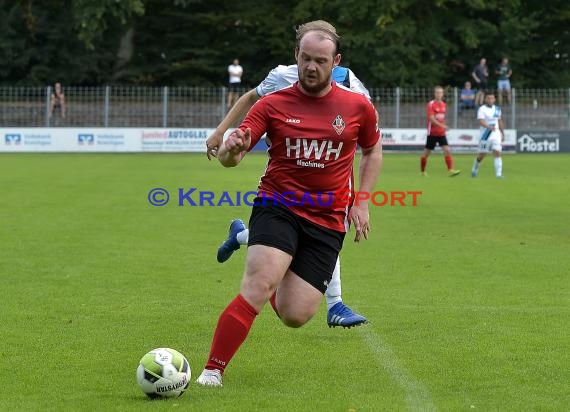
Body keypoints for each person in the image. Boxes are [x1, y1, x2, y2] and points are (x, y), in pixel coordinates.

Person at [196, 20, 382, 387]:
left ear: (336, 62)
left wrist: (361, 202)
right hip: (277, 205)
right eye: (306, 59)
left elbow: (373, 149)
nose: (312, 67)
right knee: (259, 284)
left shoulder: (358, 106)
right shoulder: (273, 103)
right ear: (296, 57)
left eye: (321, 60)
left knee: (297, 314)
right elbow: (233, 158)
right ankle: (212, 371)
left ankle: (265, 259)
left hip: (328, 219)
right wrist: (230, 149)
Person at [420, 86, 460, 177]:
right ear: (434, 94)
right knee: (426, 153)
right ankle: (422, 171)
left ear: (442, 94)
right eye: (437, 92)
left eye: (440, 92)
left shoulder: (443, 104)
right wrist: (443, 126)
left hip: (441, 133)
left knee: (447, 150)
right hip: (432, 133)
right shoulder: (431, 104)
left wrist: (443, 127)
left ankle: (450, 170)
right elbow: (431, 119)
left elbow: (441, 118)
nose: (439, 94)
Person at [472, 91, 504, 178]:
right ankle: (475, 168)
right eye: (488, 98)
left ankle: (498, 174)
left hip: (496, 134)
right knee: (482, 155)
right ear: (485, 99)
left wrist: (502, 132)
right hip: (485, 134)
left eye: (492, 98)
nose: (490, 100)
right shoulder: (482, 109)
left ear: (494, 99)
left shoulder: (497, 109)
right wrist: (488, 126)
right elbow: (481, 121)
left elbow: (499, 120)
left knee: (497, 152)